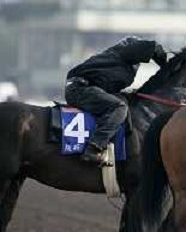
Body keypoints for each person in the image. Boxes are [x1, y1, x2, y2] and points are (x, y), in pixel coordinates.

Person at [65, 36, 168, 165]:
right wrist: (165, 64)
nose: (139, 64)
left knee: (123, 103)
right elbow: (151, 47)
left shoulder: (115, 62)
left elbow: (104, 85)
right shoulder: (123, 52)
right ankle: (94, 148)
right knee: (118, 107)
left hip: (84, 88)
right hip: (80, 88)